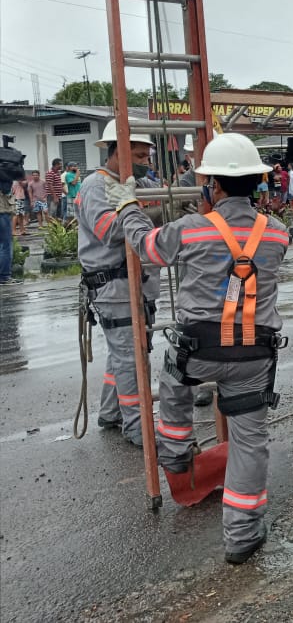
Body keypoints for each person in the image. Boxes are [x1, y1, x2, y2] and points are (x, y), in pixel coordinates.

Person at [105, 133, 289, 565]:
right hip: (253, 359)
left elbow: (148, 248)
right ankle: (242, 535)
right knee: (250, 442)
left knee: (174, 383)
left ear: (213, 185)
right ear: (257, 183)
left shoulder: (191, 230)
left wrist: (127, 206)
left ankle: (175, 453)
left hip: (197, 352)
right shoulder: (278, 235)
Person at [75, 121, 161, 446]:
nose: (146, 161)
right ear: (118, 152)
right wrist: (146, 212)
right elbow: (110, 232)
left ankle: (111, 413)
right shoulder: (96, 187)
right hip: (114, 288)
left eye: (147, 155)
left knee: (122, 353)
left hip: (136, 285)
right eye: (140, 155)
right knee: (129, 357)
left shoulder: (133, 183)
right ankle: (138, 429)